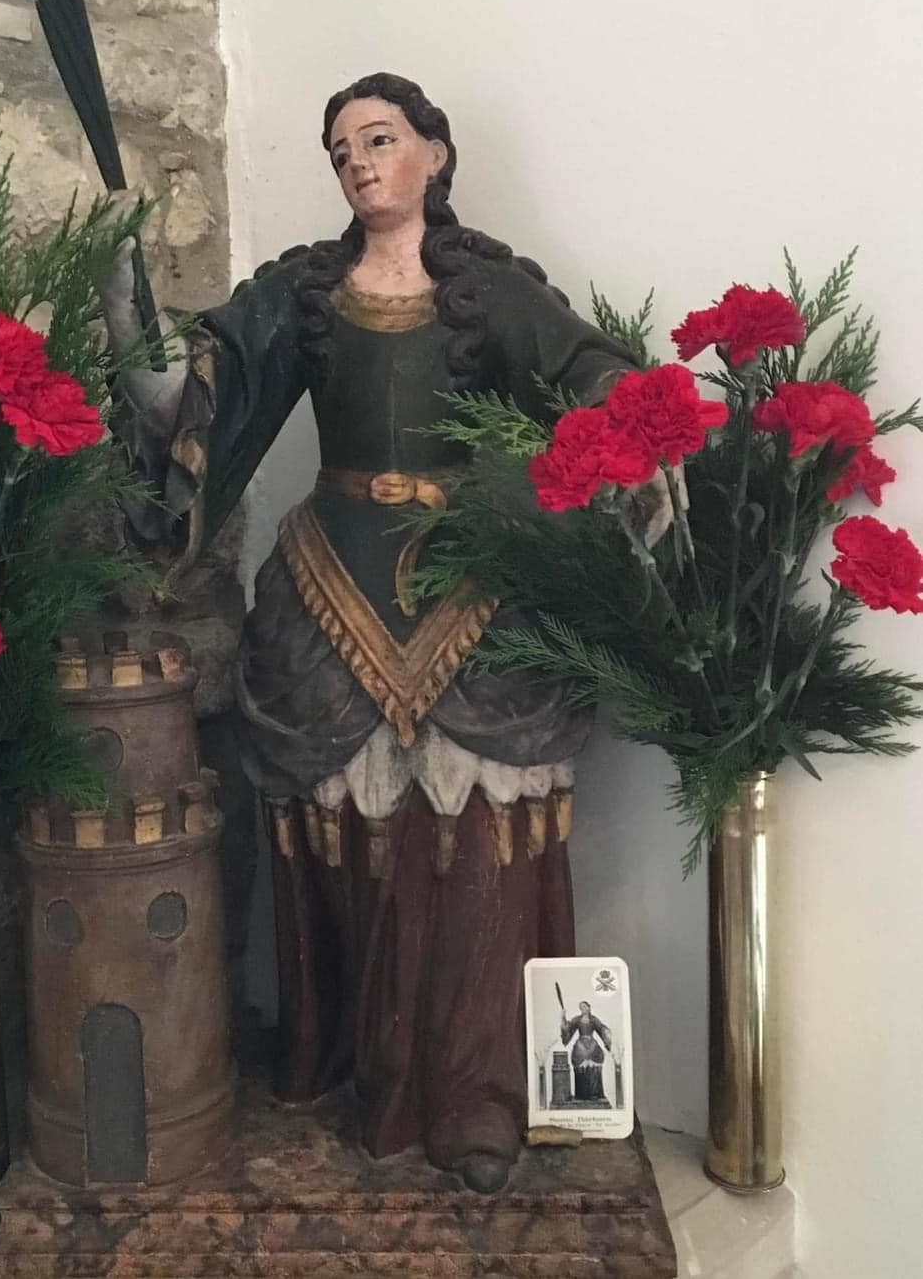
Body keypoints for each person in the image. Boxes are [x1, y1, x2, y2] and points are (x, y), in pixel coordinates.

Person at [105, 72, 661, 1194]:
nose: (359, 164)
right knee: (339, 830)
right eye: (340, 151)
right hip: (331, 584)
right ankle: (362, 1065)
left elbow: (586, 371)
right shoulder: (305, 293)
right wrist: (131, 319)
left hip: (473, 582)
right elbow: (199, 396)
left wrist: (621, 422)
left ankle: (477, 1089)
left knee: (480, 836)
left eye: (379, 139)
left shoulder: (490, 292)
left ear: (434, 155)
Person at [561, 1000, 614, 1104]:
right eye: (581, 1007)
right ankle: (582, 1095)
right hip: (580, 1045)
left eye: (584, 1006)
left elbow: (601, 1029)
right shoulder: (577, 1020)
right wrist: (563, 1017)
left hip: (593, 1045)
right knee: (580, 1068)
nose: (582, 1008)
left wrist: (608, 1037)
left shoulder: (594, 1020)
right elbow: (568, 1028)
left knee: (594, 1069)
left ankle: (595, 1094)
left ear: (589, 1008)